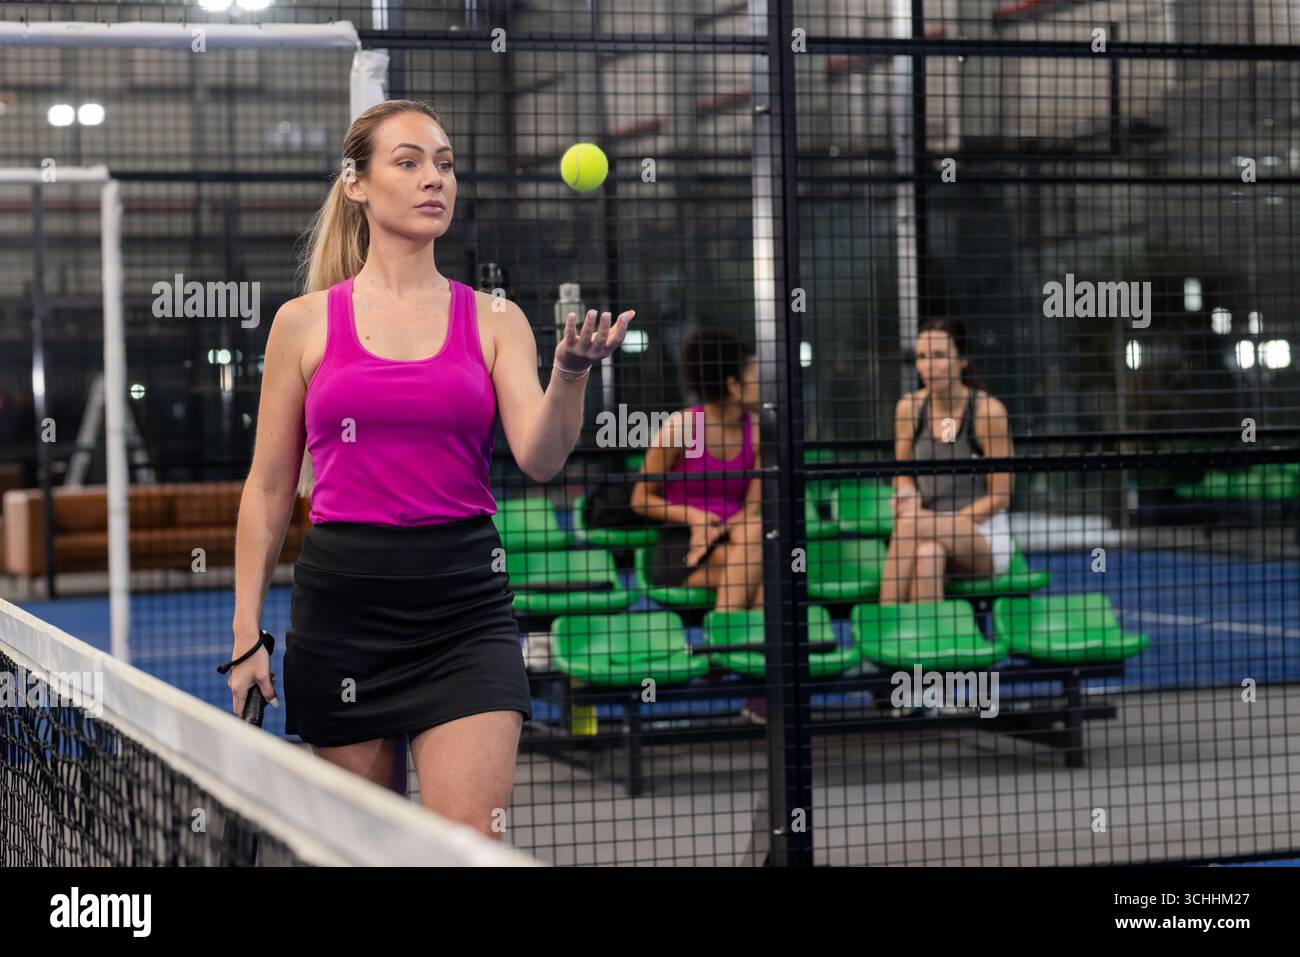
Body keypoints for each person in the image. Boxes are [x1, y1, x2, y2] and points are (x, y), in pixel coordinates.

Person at [224, 99, 634, 839]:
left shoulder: (496, 319)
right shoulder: (303, 322)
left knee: (472, 844)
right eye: (408, 162)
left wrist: (570, 374)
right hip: (344, 611)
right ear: (357, 183)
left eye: (443, 163)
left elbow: (541, 459)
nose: (432, 179)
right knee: (365, 850)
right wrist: (245, 632)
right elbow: (269, 486)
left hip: (464, 609)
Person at [880, 318, 1014, 605]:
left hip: (982, 536)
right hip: (926, 531)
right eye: (922, 357)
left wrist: (938, 522)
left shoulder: (988, 411)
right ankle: (927, 646)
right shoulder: (908, 408)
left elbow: (1000, 497)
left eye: (939, 356)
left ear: (962, 360)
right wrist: (906, 493)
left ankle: (880, 630)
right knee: (929, 555)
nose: (928, 366)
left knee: (910, 525)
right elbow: (901, 474)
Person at [631, 329, 762, 612]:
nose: (762, 380)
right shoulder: (682, 427)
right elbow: (640, 499)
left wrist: (717, 529)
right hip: (684, 548)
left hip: (733, 538)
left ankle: (725, 649)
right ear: (733, 384)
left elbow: (751, 508)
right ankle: (735, 651)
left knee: (756, 542)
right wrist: (696, 519)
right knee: (769, 572)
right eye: (754, 373)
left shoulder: (760, 433)